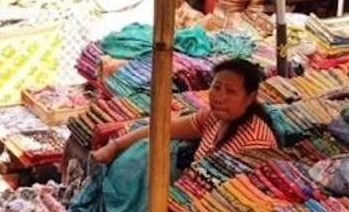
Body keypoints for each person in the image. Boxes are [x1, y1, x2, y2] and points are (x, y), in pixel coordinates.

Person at [92, 58, 276, 166]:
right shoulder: (213, 116)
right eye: (216, 87)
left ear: (250, 97)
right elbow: (162, 129)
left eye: (231, 91)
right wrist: (114, 146)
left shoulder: (255, 142)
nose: (220, 97)